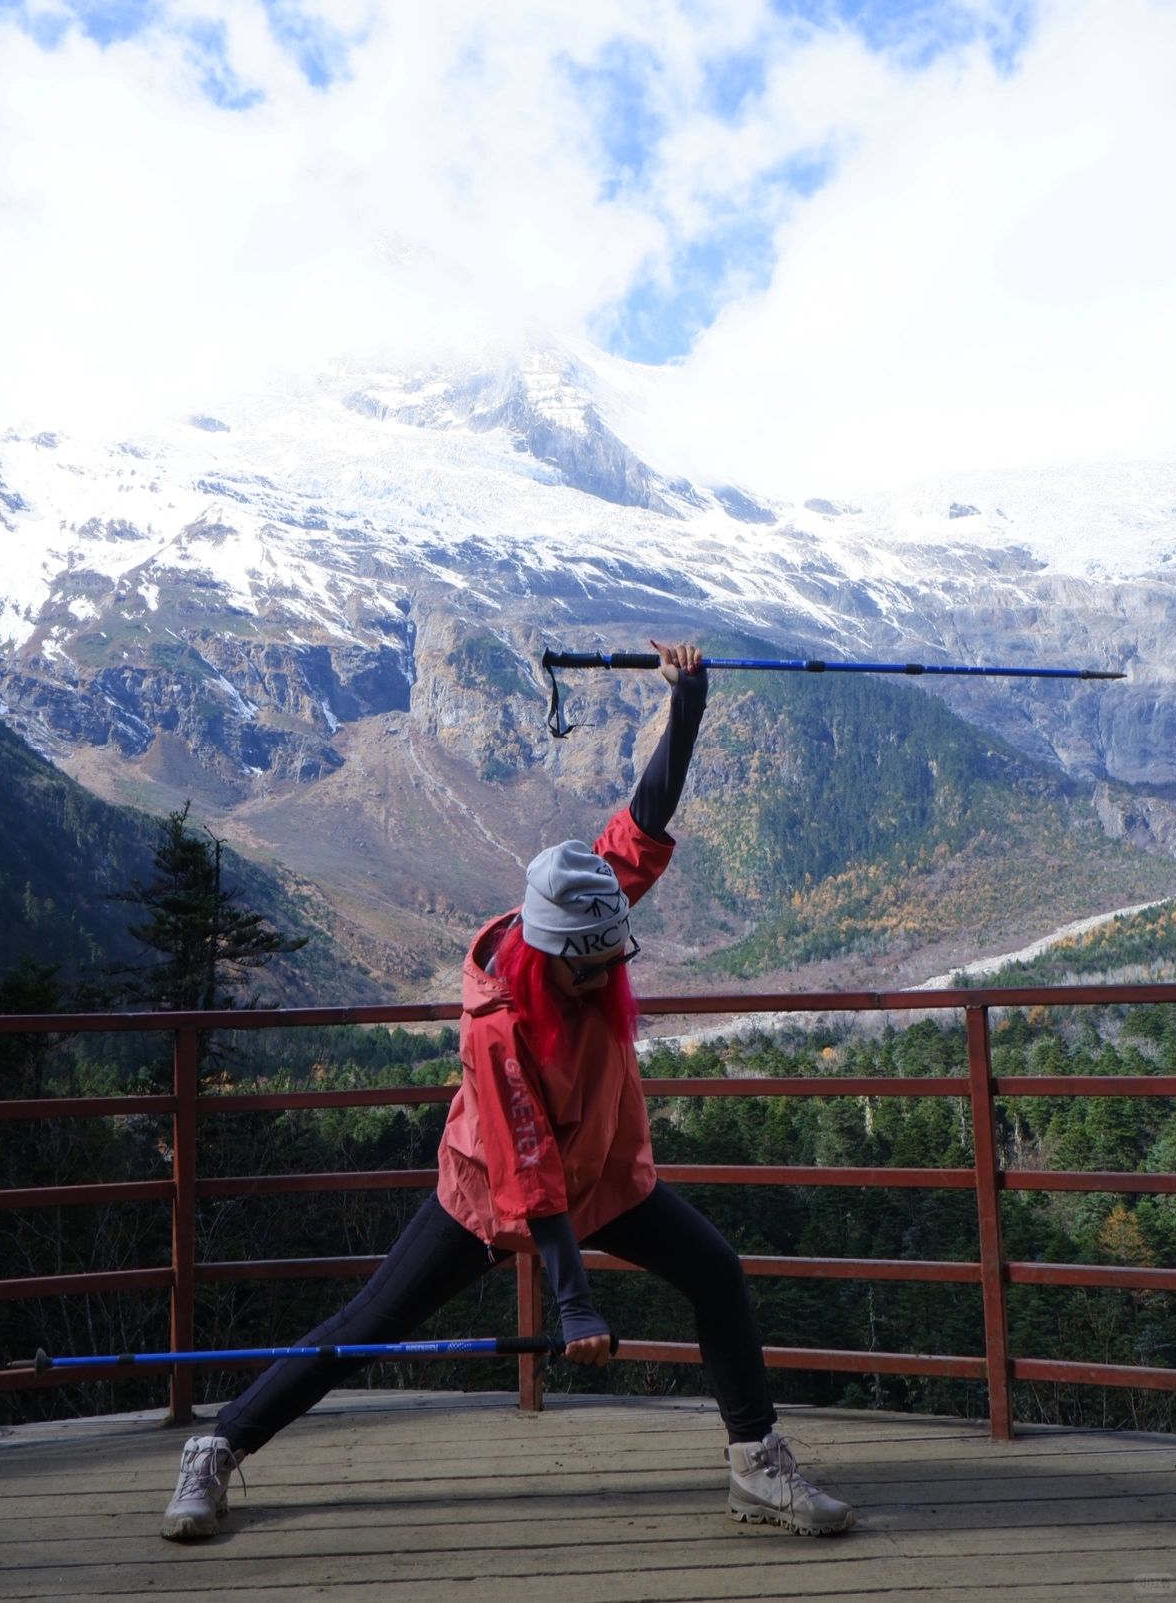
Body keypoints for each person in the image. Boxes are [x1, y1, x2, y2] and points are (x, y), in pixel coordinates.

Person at [161, 639, 856, 1541]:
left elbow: (644, 820)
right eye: (591, 969)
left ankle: (755, 1460)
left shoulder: (588, 903)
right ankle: (218, 1448)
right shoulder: (498, 1020)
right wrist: (573, 1301)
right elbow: (528, 1169)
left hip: (600, 1171)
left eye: (618, 958)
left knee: (716, 1272)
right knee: (367, 1322)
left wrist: (688, 703)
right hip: (491, 1190)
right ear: (553, 953)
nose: (608, 977)